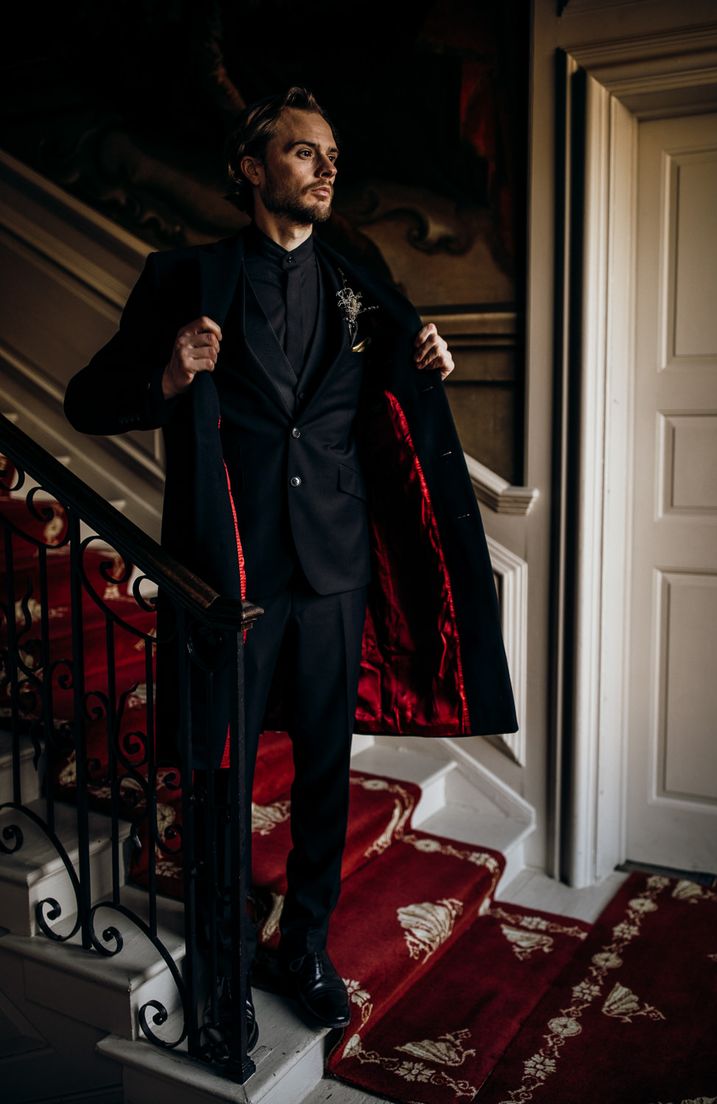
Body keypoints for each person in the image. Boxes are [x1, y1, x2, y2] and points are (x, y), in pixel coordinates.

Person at [64, 86, 518, 1054]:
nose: (324, 169)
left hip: (336, 573)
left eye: (330, 156)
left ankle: (301, 945)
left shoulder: (363, 285)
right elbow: (86, 402)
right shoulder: (184, 277)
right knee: (219, 770)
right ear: (251, 166)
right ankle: (222, 951)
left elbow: (385, 398)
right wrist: (172, 377)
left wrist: (425, 358)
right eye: (304, 152)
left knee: (322, 774)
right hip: (228, 581)